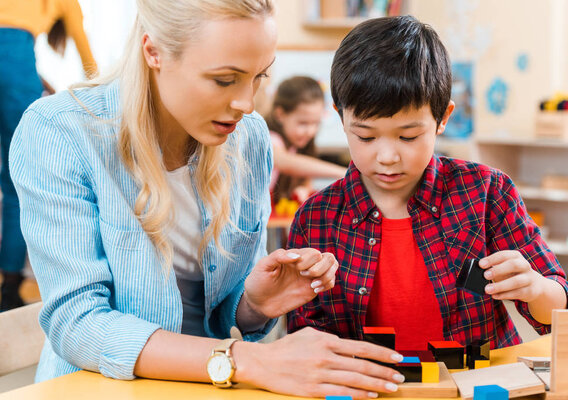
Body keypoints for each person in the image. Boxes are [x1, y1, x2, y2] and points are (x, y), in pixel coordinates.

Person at [10, 1, 407, 398]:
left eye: (258, 77)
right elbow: (78, 324)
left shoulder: (248, 138)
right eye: (224, 79)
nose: (247, 103)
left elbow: (221, 310)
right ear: (154, 52)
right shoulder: (61, 131)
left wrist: (253, 301)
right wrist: (247, 360)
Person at [287, 16, 568, 351]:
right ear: (340, 118)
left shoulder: (486, 192)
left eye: (408, 136)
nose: (387, 156)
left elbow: (561, 308)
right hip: (368, 387)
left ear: (443, 119)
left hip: (473, 382)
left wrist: (536, 288)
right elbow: (303, 334)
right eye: (365, 136)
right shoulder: (316, 218)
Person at [0, 0, 97, 311]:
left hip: (17, 63)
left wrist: (37, 80)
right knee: (18, 180)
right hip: (15, 64)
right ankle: (10, 289)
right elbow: (90, 66)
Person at [265, 76, 346, 204]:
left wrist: (302, 189)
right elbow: (285, 162)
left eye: (316, 123)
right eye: (303, 123)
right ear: (280, 114)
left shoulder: (296, 146)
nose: (311, 131)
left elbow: (305, 182)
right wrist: (343, 172)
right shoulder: (269, 138)